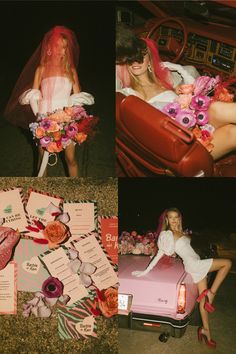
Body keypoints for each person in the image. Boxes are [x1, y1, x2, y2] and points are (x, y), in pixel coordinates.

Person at [116, 26, 236, 161]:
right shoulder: (126, 94)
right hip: (180, 146)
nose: (136, 61)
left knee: (216, 109)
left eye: (141, 56)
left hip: (198, 125)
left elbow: (194, 87)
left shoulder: (169, 82)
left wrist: (178, 69)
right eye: (131, 57)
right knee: (233, 132)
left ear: (150, 60)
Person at [132, 208, 232, 348]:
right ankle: (212, 292)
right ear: (166, 219)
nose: (173, 220)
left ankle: (206, 331)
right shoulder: (167, 234)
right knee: (227, 263)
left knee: (203, 302)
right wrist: (145, 271)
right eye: (170, 217)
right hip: (194, 265)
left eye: (176, 217)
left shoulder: (181, 232)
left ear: (179, 218)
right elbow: (160, 253)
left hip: (195, 265)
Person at [4, 26, 94, 177]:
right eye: (57, 46)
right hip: (45, 120)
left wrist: (73, 116)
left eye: (64, 47)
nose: (61, 50)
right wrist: (41, 119)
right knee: (43, 159)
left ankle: (77, 190)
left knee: (71, 158)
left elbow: (78, 96)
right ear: (49, 47)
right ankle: (42, 192)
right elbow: (35, 94)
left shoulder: (70, 70)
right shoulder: (41, 69)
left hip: (67, 118)